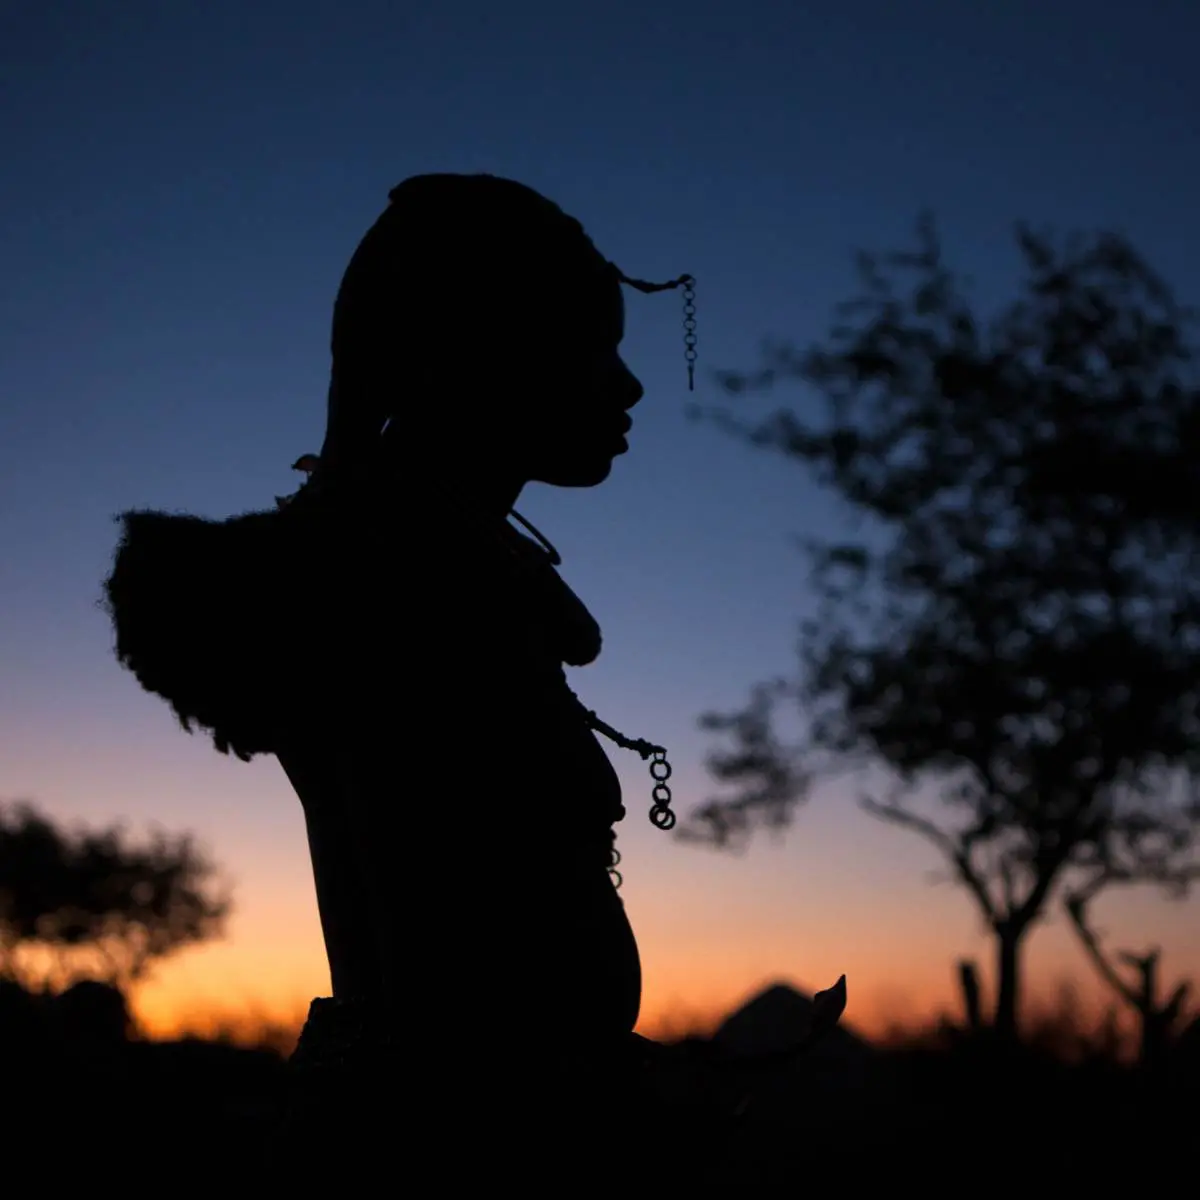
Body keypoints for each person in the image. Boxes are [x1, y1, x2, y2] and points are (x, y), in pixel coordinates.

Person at [103, 174, 698, 1182]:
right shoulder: (386, 576)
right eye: (589, 346)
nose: (628, 386)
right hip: (446, 1147)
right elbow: (446, 971)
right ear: (466, 354)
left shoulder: (440, 566)